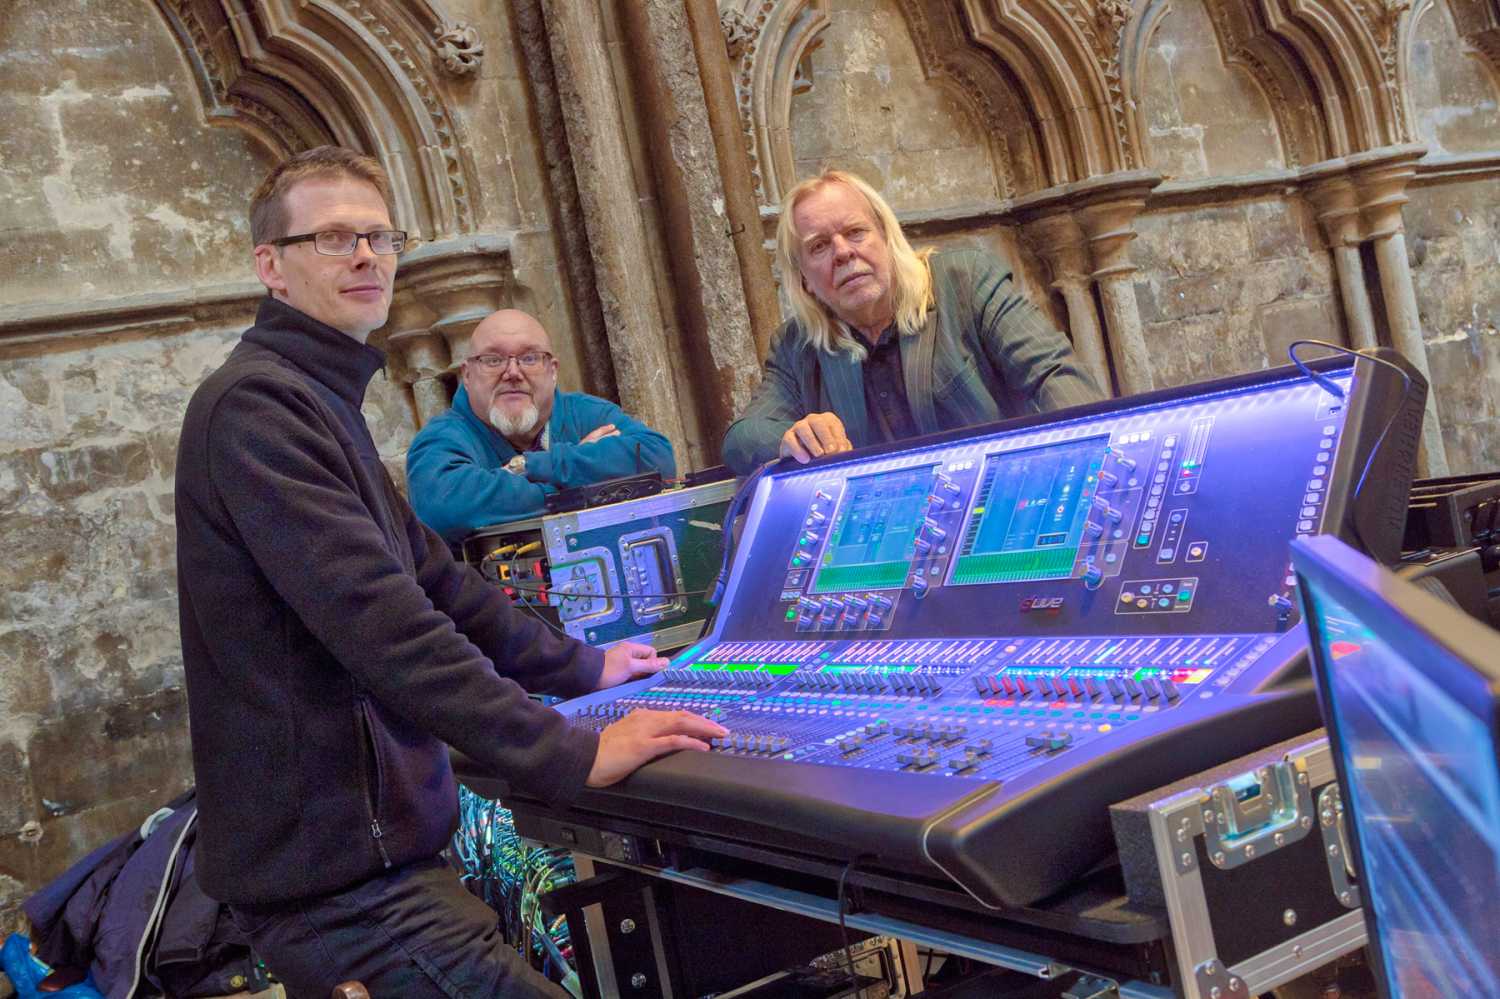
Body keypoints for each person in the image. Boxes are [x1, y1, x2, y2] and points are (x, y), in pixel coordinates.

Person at [173, 146, 725, 999]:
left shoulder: (317, 402)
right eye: (332, 237)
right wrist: (567, 753)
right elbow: (387, 624)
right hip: (346, 892)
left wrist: (583, 668)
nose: (365, 256)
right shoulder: (258, 407)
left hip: (372, 869)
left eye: (379, 236)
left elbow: (437, 579)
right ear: (269, 267)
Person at [722, 170, 1103, 473]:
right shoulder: (796, 346)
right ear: (803, 276)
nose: (842, 253)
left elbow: (1054, 374)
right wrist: (791, 440)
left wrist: (1080, 458)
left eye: (855, 232)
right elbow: (744, 438)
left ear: (887, 237)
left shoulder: (966, 283)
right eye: (819, 246)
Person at [406, 309, 675, 542]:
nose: (512, 372)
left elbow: (657, 458)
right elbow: (446, 507)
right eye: (493, 360)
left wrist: (530, 466)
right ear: (467, 374)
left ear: (553, 370)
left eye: (530, 358)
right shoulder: (442, 438)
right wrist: (577, 487)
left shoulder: (584, 413)